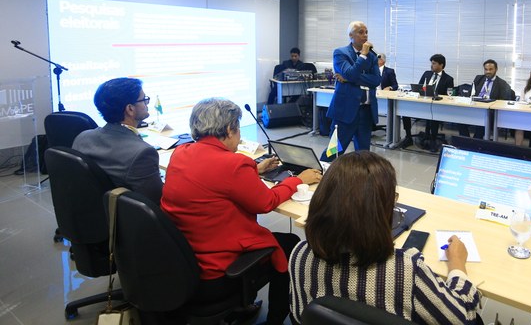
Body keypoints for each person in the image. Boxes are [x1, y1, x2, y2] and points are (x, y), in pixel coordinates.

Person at [161, 97, 322, 325]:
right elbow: (266, 202)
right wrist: (298, 180)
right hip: (218, 271)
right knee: (291, 244)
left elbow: (212, 179)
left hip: (184, 259)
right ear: (229, 129)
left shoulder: (181, 152)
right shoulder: (233, 164)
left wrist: (253, 170)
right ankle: (275, 320)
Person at [289, 151, 481, 324]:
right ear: (381, 211)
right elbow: (463, 317)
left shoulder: (299, 255)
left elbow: (299, 315)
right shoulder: (407, 270)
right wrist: (457, 266)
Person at [72, 77, 163, 204]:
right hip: (132, 219)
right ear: (130, 109)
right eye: (144, 99)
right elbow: (157, 200)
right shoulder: (142, 153)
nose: (147, 104)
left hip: (98, 212)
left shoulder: (82, 138)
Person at [325, 21, 381, 157]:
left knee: (363, 154)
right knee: (334, 152)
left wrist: (349, 79)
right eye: (361, 32)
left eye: (366, 32)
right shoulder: (340, 53)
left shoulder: (372, 56)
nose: (365, 35)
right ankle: (323, 175)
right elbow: (350, 73)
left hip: (366, 112)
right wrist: (362, 56)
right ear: (351, 35)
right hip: (345, 111)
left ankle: (360, 178)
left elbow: (376, 80)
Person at [397, 54, 455, 153]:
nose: (431, 66)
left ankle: (433, 140)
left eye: (434, 63)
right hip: (422, 103)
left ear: (441, 65)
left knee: (434, 116)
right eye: (431, 63)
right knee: (406, 111)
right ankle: (408, 137)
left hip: (437, 106)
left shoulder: (448, 79)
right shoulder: (427, 74)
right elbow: (419, 88)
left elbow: (449, 96)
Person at [458, 59, 515, 138]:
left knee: (482, 123)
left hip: (489, 113)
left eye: (491, 69)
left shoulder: (502, 84)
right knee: (460, 119)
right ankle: (466, 141)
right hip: (475, 108)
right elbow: (470, 93)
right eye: (486, 69)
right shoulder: (478, 78)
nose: (488, 71)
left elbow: (503, 102)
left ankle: (475, 143)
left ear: (496, 69)